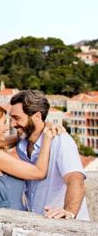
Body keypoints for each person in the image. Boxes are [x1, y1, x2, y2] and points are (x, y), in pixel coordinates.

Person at [10, 90, 89, 220]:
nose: (12, 124)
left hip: (63, 225)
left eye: (17, 118)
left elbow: (76, 179)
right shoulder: (21, 144)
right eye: (11, 118)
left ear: (37, 116)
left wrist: (69, 212)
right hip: (39, 223)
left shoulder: (60, 140)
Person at [0, 102, 57, 210]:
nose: (6, 128)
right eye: (4, 123)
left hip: (0, 212)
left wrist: (43, 125)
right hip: (11, 215)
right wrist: (47, 138)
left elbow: (18, 138)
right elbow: (39, 172)